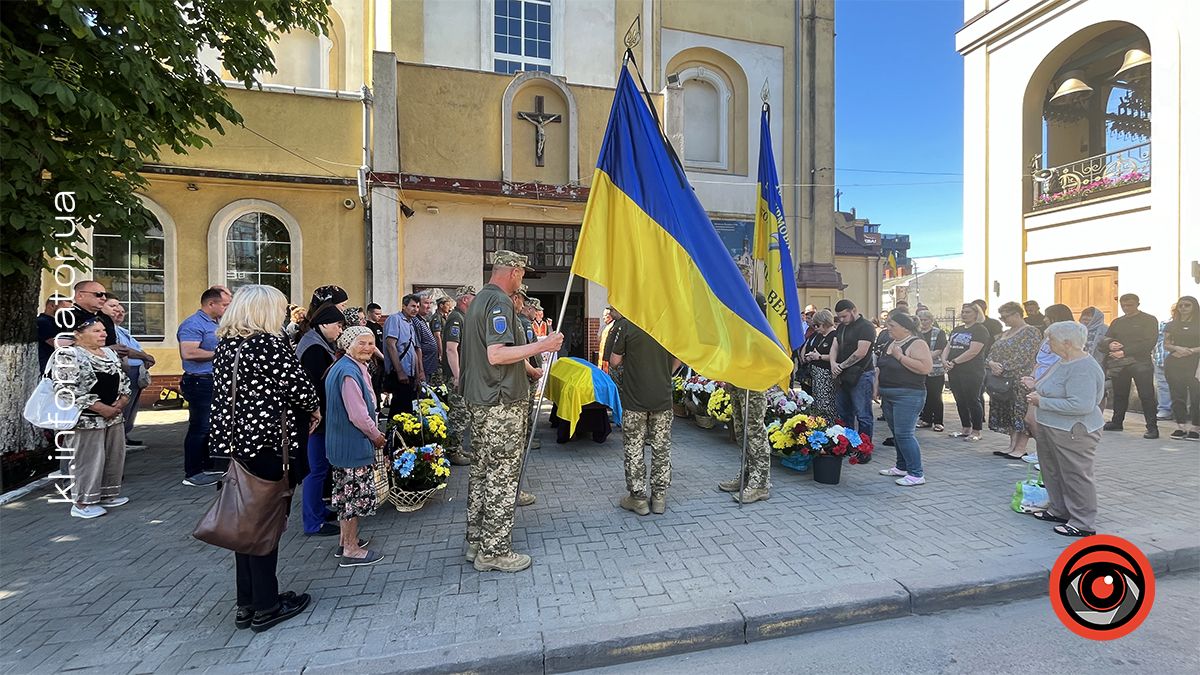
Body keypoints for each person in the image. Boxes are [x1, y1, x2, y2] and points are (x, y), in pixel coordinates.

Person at [208, 284, 319, 631]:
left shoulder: (227, 346)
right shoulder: (268, 344)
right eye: (281, 308)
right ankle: (267, 606)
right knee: (264, 527)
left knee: (245, 525)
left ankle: (247, 602)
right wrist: (313, 408)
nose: (284, 314)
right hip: (270, 447)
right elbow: (301, 389)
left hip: (237, 447)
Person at [461, 251, 563, 572]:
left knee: (481, 472)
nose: (523, 280)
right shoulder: (501, 302)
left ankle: (475, 540)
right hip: (500, 404)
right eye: (522, 273)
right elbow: (497, 354)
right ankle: (494, 551)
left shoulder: (479, 300)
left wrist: (530, 368)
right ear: (514, 272)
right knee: (502, 476)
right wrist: (542, 346)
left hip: (482, 400)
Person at [1023, 321, 1105, 537]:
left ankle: (1082, 522)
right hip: (1052, 426)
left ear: (1067, 343)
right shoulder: (1063, 361)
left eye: (1051, 340)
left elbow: (1082, 405)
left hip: (1074, 431)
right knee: (1052, 470)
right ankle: (1059, 510)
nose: (1048, 344)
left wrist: (1042, 402)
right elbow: (1050, 385)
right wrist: (1035, 386)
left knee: (1075, 475)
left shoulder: (1083, 367)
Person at [324, 326, 388, 567]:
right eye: (362, 343)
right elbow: (358, 415)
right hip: (351, 445)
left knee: (344, 495)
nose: (368, 348)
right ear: (348, 344)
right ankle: (351, 549)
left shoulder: (345, 366)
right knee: (351, 497)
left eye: (371, 343)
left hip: (342, 445)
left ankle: (346, 541)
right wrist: (376, 436)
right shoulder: (348, 371)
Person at [57, 316, 131, 518]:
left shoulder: (108, 352)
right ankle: (82, 502)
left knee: (113, 455)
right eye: (96, 331)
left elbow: (123, 378)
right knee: (88, 460)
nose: (103, 334)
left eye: (103, 330)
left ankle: (107, 493)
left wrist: (123, 400)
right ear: (78, 334)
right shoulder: (68, 355)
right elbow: (65, 389)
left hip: (113, 416)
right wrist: (99, 407)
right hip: (87, 419)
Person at [609, 317, 675, 514]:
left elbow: (614, 361)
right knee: (661, 448)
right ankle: (659, 498)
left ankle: (638, 499)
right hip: (662, 398)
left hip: (635, 399)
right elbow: (681, 355)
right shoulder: (668, 324)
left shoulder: (627, 324)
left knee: (634, 449)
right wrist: (665, 373)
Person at [296, 302, 346, 537]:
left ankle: (319, 510)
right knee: (315, 470)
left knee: (321, 467)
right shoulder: (314, 349)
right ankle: (312, 522)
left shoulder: (318, 342)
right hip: (316, 420)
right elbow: (315, 387)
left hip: (322, 417)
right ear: (324, 323)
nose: (340, 330)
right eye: (338, 325)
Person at [178, 286, 232, 487]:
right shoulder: (193, 324)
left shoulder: (218, 322)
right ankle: (192, 471)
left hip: (214, 379)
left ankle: (209, 465)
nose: (228, 308)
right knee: (200, 426)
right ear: (211, 304)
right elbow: (189, 353)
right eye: (225, 304)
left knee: (213, 425)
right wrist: (223, 353)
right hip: (200, 381)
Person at [874, 312, 933, 486]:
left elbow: (925, 368)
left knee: (905, 434)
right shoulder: (891, 342)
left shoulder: (917, 343)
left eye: (892, 326)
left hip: (908, 395)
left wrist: (900, 356)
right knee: (896, 433)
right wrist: (876, 386)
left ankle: (916, 473)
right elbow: (880, 367)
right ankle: (901, 466)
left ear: (905, 327)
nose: (888, 329)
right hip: (888, 394)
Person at [985, 302, 1042, 459]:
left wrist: (1003, 367)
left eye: (1005, 316)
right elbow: (991, 352)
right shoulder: (1005, 333)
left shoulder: (1031, 332)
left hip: (1019, 379)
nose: (1003, 320)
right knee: (1008, 412)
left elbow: (1026, 355)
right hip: (1001, 381)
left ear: (1017, 314)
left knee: (1020, 412)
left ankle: (1021, 448)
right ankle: (1011, 445)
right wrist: (991, 363)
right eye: (1001, 316)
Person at [1102, 293, 1160, 439]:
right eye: (1124, 305)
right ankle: (1117, 422)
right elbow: (1106, 338)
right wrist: (1110, 344)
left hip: (1140, 362)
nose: (1126, 308)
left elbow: (1150, 342)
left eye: (1130, 305)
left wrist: (1125, 352)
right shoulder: (1117, 322)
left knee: (1146, 395)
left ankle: (1152, 427)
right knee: (1120, 393)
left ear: (1137, 304)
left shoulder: (1149, 320)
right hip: (1120, 364)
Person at [105, 297, 156, 449]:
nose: (119, 313)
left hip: (136, 372)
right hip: (125, 372)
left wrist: (144, 357)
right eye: (113, 307)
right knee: (124, 406)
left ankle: (125, 436)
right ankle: (120, 440)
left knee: (132, 407)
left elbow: (135, 348)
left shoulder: (123, 330)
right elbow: (124, 350)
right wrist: (144, 356)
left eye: (122, 311)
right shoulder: (109, 330)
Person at [830, 299, 877, 441]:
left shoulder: (866, 327)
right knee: (844, 413)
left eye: (845, 316)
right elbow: (835, 345)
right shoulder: (842, 327)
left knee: (863, 414)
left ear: (853, 311)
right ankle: (848, 443)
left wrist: (841, 365)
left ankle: (864, 447)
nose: (842, 320)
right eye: (839, 317)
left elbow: (861, 352)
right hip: (843, 375)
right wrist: (833, 363)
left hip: (861, 374)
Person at [943, 302, 990, 441]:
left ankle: (976, 431)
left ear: (976, 314)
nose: (964, 314)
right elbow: (948, 346)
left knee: (972, 400)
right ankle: (965, 428)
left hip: (972, 371)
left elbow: (973, 351)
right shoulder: (957, 329)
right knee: (960, 399)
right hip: (954, 370)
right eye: (963, 312)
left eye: (968, 312)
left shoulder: (980, 330)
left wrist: (954, 361)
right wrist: (944, 359)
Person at [442, 286, 476, 466]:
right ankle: (452, 451)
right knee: (459, 414)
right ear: (465, 299)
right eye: (473, 297)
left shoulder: (462, 317)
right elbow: (451, 349)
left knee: (462, 413)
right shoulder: (456, 319)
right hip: (457, 375)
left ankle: (457, 447)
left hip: (464, 374)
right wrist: (457, 376)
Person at [1163, 296, 1200, 441]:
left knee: (1197, 396)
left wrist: (1190, 351)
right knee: (1177, 395)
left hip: (1196, 363)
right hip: (1175, 362)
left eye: (1187, 305)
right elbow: (1166, 344)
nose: (1183, 308)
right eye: (1181, 305)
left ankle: (1196, 427)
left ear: (1194, 307)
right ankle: (1181, 426)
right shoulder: (1171, 325)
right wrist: (1177, 347)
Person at [384, 294, 423, 416]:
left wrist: (417, 375)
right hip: (399, 373)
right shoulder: (395, 319)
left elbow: (413, 350)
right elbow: (391, 345)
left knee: (407, 410)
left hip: (409, 374)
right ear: (404, 306)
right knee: (398, 411)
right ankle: (392, 435)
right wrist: (400, 371)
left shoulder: (410, 323)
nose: (415, 309)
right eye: (412, 306)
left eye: (417, 306)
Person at [799, 309, 838, 421]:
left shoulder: (834, 335)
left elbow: (834, 356)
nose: (816, 328)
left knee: (826, 404)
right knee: (817, 404)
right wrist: (809, 356)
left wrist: (819, 357)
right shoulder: (819, 335)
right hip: (815, 375)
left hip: (826, 375)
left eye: (818, 325)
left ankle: (829, 425)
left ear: (825, 323)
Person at [915, 309, 948, 432]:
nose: (923, 322)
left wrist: (925, 358)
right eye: (921, 320)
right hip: (920, 369)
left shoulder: (939, 332)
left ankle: (938, 421)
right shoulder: (916, 333)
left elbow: (939, 349)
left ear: (931, 320)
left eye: (926, 320)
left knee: (936, 396)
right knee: (925, 395)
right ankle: (926, 419)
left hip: (935, 369)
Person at [70, 280, 121, 349]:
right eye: (99, 294)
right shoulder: (67, 316)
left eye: (105, 295)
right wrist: (108, 350)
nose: (104, 298)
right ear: (80, 295)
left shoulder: (105, 317)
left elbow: (112, 342)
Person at [36, 295, 73, 373]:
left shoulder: (61, 323)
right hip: (49, 366)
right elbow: (54, 343)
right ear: (52, 306)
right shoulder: (43, 322)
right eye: (65, 310)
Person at [414, 291, 441, 388]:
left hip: (429, 366)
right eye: (426, 303)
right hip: (423, 367)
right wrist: (420, 371)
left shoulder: (422, 320)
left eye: (430, 303)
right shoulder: (416, 321)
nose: (429, 306)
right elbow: (417, 348)